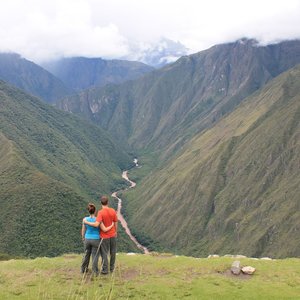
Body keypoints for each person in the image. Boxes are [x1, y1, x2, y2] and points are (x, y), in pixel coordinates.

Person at [84, 195, 118, 275]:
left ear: (101, 203)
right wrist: (115, 231)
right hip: (112, 234)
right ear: (108, 202)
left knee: (104, 253)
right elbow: (116, 222)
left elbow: (96, 224)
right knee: (113, 252)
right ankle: (112, 269)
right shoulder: (113, 211)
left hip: (104, 236)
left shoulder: (100, 213)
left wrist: (86, 222)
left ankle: (105, 270)